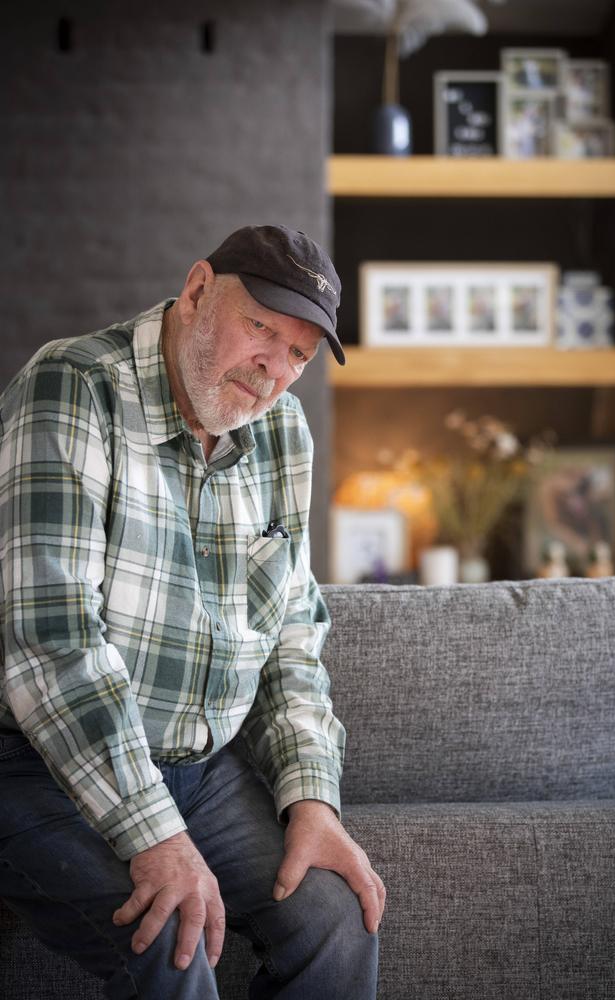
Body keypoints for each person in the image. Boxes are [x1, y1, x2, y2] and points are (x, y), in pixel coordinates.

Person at [0, 224, 385, 999]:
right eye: (261, 329)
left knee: (337, 915)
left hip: (202, 775)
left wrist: (312, 798)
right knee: (172, 938)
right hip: (41, 767)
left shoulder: (281, 432)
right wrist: (153, 836)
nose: (272, 370)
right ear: (199, 290)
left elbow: (292, 640)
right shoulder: (75, 386)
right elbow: (53, 643)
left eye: (298, 356)